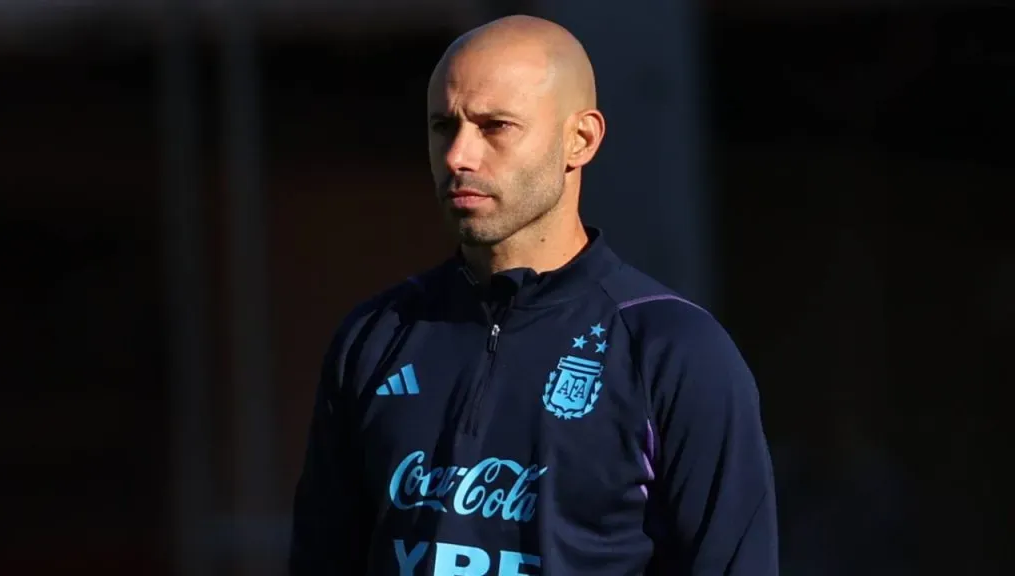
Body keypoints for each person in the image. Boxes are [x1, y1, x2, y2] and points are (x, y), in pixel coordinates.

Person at [289, 14, 777, 576]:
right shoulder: (374, 338)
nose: (458, 158)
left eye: (495, 126)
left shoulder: (674, 352)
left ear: (581, 139)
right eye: (444, 126)